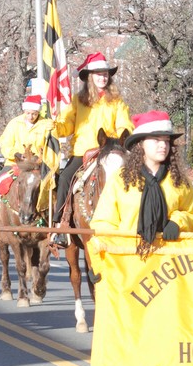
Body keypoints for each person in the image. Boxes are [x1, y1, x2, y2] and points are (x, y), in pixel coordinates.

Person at [90, 111, 193, 366]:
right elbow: (102, 223)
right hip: (129, 266)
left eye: (167, 141)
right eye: (156, 140)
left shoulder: (180, 182)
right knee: (127, 327)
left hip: (165, 269)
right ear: (140, 145)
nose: (163, 146)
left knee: (159, 332)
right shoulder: (121, 182)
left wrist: (179, 220)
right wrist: (108, 255)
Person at [51, 52, 134, 246]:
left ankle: (137, 220)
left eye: (105, 74)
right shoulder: (77, 101)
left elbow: (124, 124)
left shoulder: (117, 101)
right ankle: (61, 224)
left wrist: (123, 135)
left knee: (135, 178)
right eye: (98, 74)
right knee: (64, 178)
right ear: (90, 76)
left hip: (111, 150)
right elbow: (67, 126)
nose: (102, 77)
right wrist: (54, 126)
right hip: (83, 151)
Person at [0, 94, 59, 214]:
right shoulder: (14, 123)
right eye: (28, 113)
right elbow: (5, 144)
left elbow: (50, 147)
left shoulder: (45, 124)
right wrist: (16, 154)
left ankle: (58, 218)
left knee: (55, 184)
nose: (31, 116)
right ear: (24, 110)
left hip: (38, 166)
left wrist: (40, 156)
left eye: (34, 113)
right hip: (15, 164)